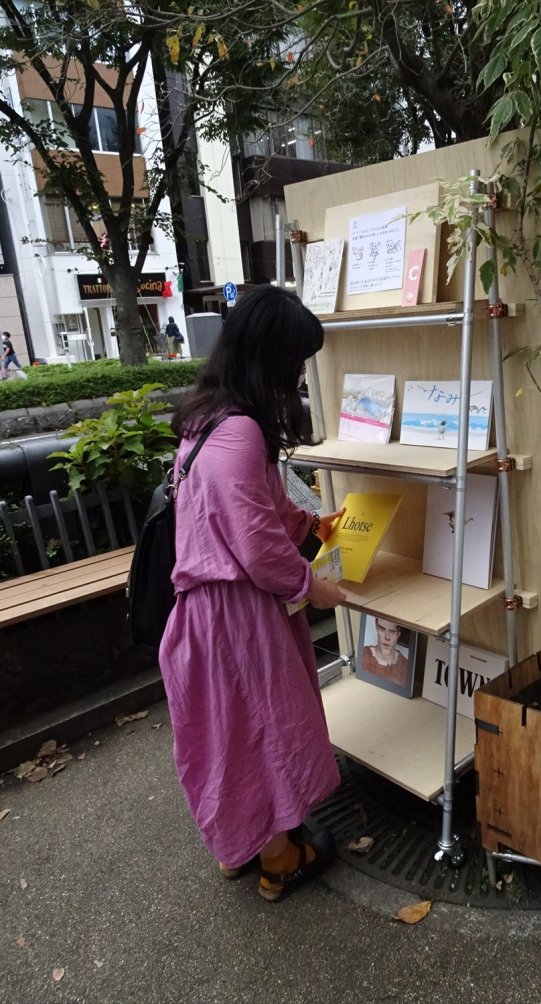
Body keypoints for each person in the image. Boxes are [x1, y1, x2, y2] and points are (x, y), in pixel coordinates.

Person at [159, 286, 347, 902]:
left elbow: (250, 509)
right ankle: (279, 859)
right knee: (263, 729)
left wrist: (310, 525)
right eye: (295, 361)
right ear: (271, 357)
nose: (297, 375)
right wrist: (313, 587)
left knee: (228, 737)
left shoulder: (205, 417)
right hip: (239, 616)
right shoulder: (241, 431)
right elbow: (259, 547)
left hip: (203, 613)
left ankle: (238, 848)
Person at [360, 617, 410, 686]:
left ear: (398, 634)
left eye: (392, 631)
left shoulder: (405, 667)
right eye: (382, 629)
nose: (387, 637)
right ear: (376, 627)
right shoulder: (363, 654)